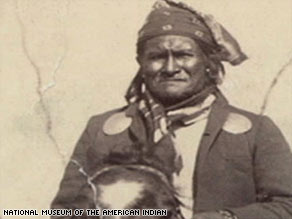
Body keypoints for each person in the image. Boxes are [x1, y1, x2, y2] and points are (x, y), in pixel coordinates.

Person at [51, 0, 292, 218]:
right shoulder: (102, 130)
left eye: (183, 55)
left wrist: (223, 218)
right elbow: (65, 211)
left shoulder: (256, 132)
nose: (170, 67)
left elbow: (287, 206)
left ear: (208, 63)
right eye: (156, 56)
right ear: (141, 64)